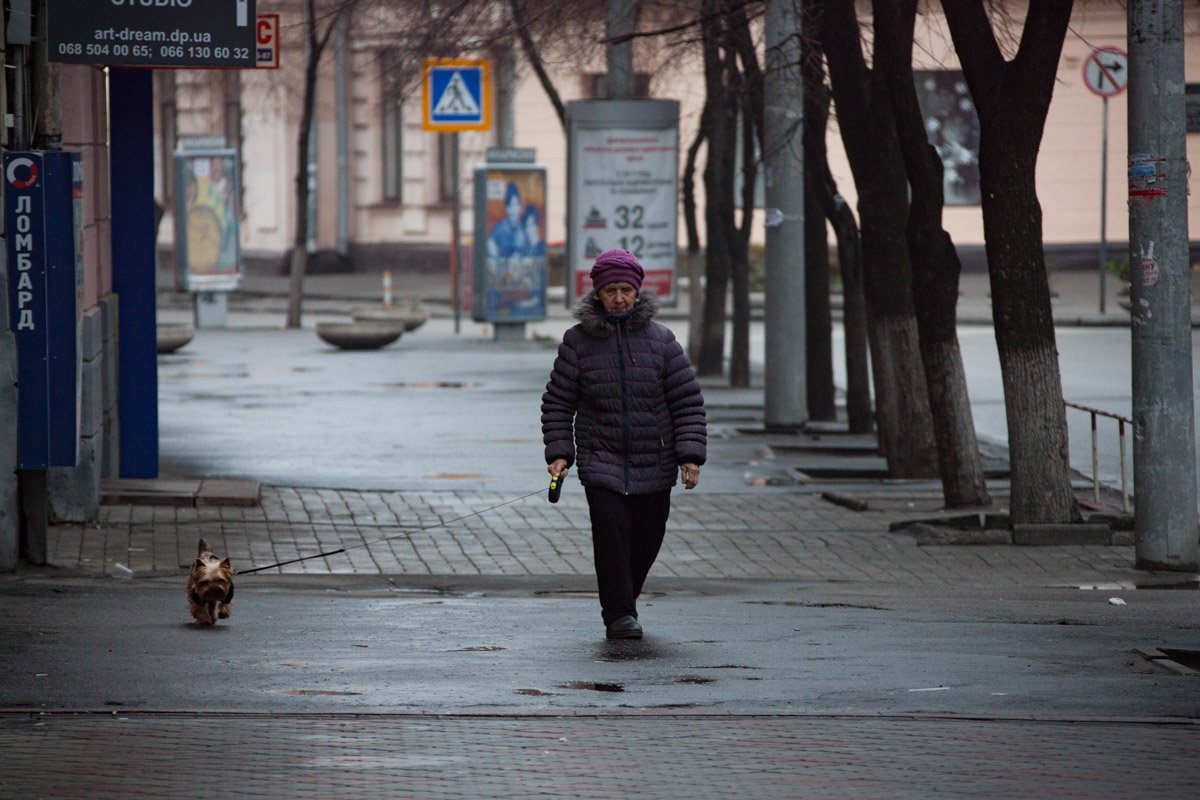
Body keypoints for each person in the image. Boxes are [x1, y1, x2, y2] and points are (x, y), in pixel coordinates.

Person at [541, 249, 706, 640]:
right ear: (598, 293)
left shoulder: (662, 341)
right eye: (611, 290)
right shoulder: (577, 342)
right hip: (602, 459)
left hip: (655, 458)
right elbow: (559, 401)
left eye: (626, 290)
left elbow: (687, 401)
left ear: (637, 292)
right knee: (611, 534)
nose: (619, 298)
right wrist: (560, 452)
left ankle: (623, 602)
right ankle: (619, 614)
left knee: (647, 538)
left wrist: (689, 455)